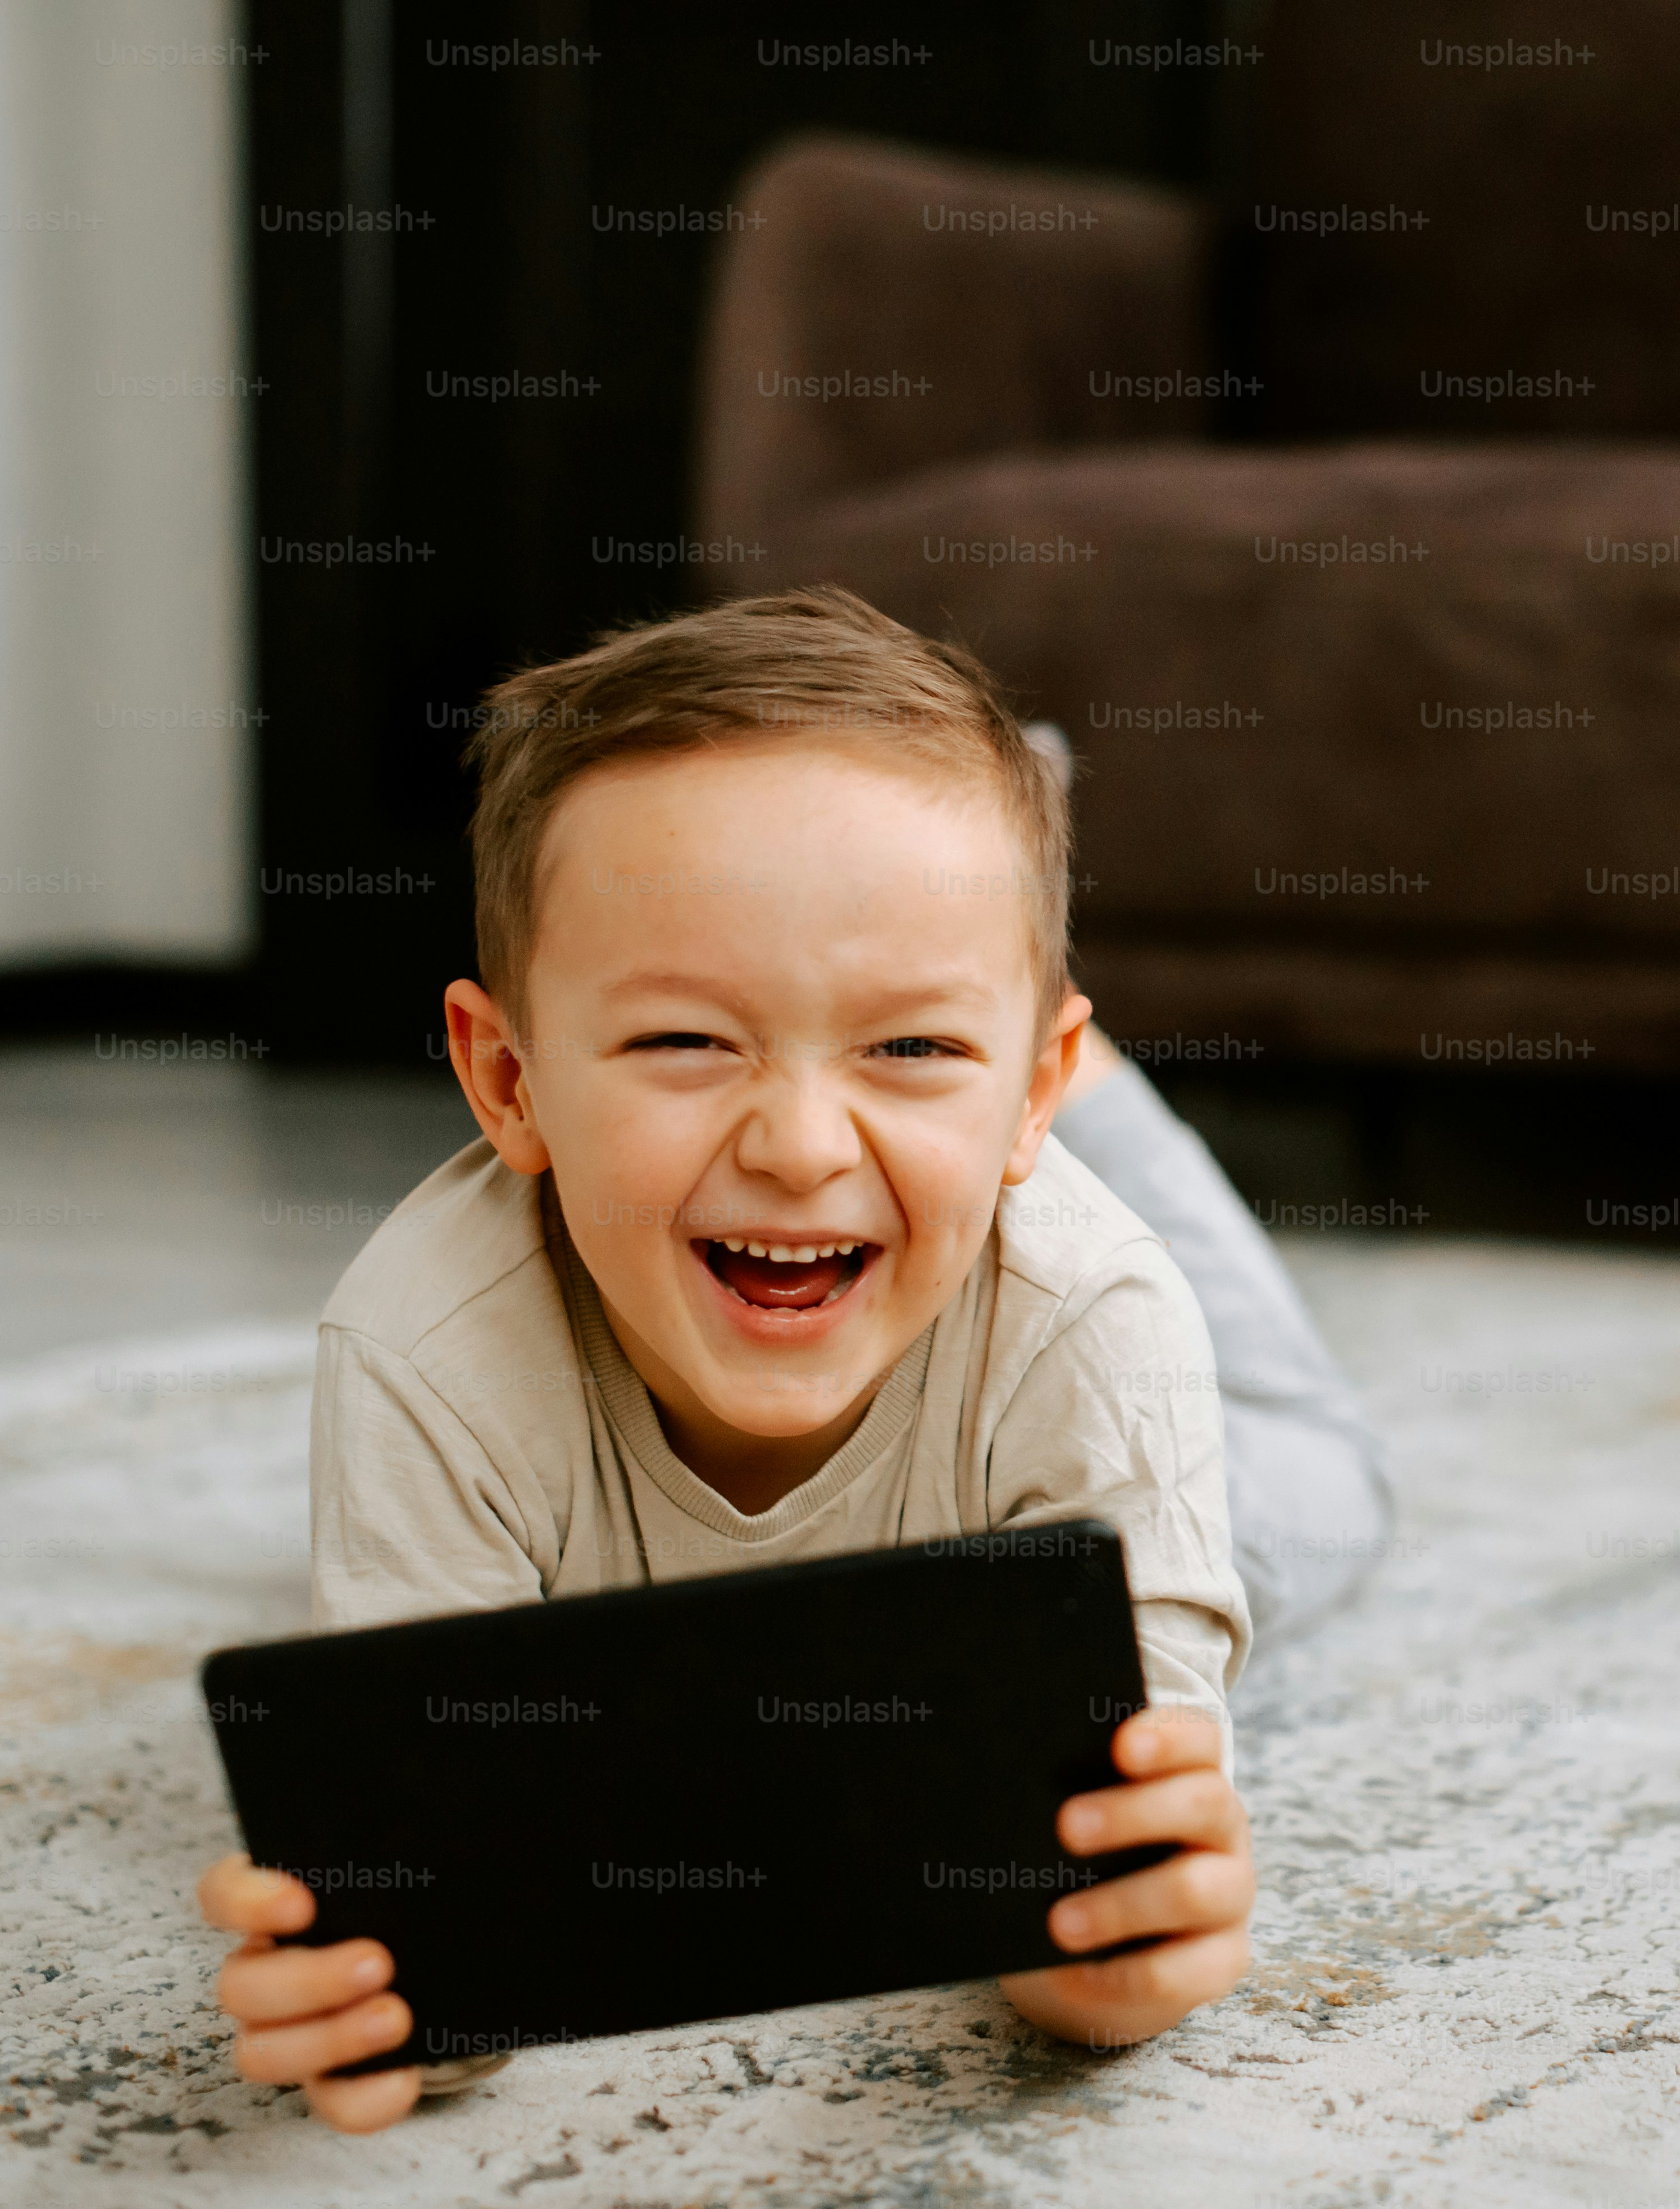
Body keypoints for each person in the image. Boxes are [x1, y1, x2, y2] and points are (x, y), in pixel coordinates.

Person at [194, 589, 1390, 2131]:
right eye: (689, 1040)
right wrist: (391, 2004)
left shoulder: (1094, 1311)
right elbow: (447, 1936)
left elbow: (1105, 1885)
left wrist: (1112, 1956)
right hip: (960, 1204)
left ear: (1030, 1096)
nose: (799, 1148)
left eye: (904, 1045)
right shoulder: (421, 1349)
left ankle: (1063, 1058)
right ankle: (955, 973)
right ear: (504, 1078)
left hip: (1044, 1318)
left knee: (1317, 1469)